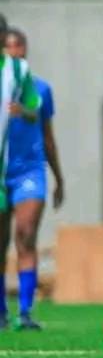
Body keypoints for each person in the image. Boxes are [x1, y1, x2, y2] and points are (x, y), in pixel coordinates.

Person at [0, 27, 43, 330]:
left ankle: (25, 312)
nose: (13, 49)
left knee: (25, 234)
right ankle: (2, 312)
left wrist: (59, 175)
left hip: (28, 169)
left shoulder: (25, 76)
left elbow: (43, 124)